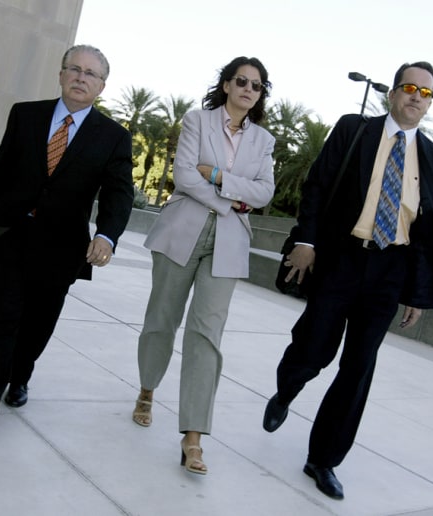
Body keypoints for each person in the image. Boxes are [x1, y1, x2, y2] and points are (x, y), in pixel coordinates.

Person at [264, 61, 433, 498]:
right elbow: (316, 186)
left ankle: (323, 459)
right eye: (409, 87)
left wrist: (416, 290)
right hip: (342, 258)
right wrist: (307, 242)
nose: (415, 97)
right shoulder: (354, 130)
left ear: (429, 104)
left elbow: (427, 227)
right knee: (314, 346)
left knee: (358, 368)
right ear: (392, 92)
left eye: (425, 93)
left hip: (392, 268)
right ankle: (287, 387)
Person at [0, 44, 134, 436]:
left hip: (63, 246)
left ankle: (19, 376)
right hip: (8, 236)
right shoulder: (25, 114)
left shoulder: (113, 137)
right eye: (74, 69)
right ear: (61, 74)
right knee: (2, 316)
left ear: (102, 86)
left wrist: (106, 235)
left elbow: (119, 193)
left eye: (91, 73)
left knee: (38, 323)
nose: (81, 77)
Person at [133, 56, 275, 475]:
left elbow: (264, 191)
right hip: (182, 231)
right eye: (243, 81)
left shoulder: (263, 141)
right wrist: (234, 199)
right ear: (227, 85)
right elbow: (183, 176)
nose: (250, 89)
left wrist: (216, 177)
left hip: (228, 244)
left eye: (258, 85)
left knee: (206, 335)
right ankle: (146, 389)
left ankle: (192, 436)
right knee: (162, 318)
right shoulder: (198, 120)